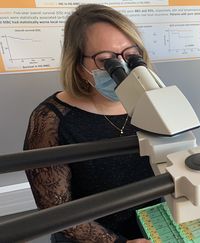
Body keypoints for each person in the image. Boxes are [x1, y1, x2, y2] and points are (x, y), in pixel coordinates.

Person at [24, 4, 158, 243]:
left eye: (130, 55)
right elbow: (55, 210)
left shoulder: (154, 100)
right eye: (106, 60)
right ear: (79, 67)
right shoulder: (51, 121)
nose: (123, 67)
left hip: (155, 226)